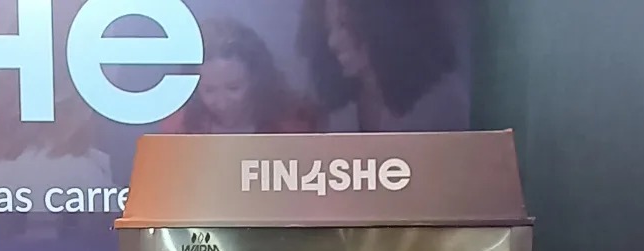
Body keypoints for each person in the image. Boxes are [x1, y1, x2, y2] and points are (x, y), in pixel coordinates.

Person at [298, 0, 469, 132]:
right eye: (329, 28)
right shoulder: (331, 104)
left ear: (382, 21)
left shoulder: (441, 102)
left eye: (344, 24)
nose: (332, 42)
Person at [162, 17, 317, 134]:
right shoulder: (178, 128)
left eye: (233, 88)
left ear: (256, 78)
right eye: (209, 90)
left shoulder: (293, 124)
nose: (222, 104)